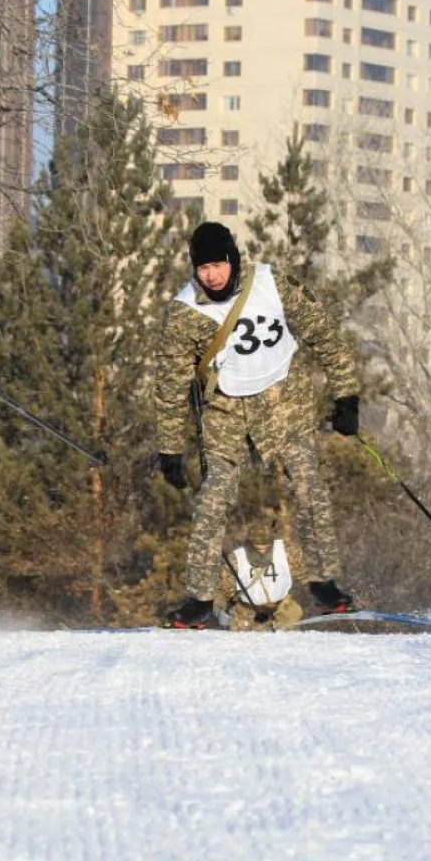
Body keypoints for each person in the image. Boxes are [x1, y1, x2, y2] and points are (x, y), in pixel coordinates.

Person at [153, 221, 361, 629]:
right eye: (202, 268)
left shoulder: (270, 283)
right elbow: (170, 385)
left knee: (307, 484)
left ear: (232, 258)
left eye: (217, 264)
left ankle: (324, 584)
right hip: (226, 411)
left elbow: (324, 333)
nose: (211, 275)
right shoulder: (184, 311)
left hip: (283, 401)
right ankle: (198, 598)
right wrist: (170, 448)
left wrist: (346, 395)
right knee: (213, 499)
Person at [221, 510, 305, 632]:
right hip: (248, 614)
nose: (262, 551)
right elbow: (225, 589)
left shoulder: (287, 552)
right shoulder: (237, 558)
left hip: (282, 611)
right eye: (257, 547)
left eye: (266, 547)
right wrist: (223, 609)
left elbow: (304, 575)